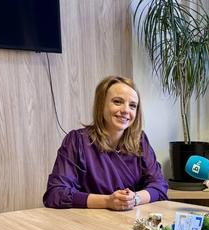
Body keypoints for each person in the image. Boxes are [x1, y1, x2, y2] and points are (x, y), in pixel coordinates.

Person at [43, 76, 168, 210]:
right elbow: (55, 193)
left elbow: (159, 186)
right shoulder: (77, 141)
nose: (126, 110)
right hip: (88, 220)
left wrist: (134, 199)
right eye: (117, 102)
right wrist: (107, 201)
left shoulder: (140, 141)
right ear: (101, 105)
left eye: (132, 105)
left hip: (132, 220)